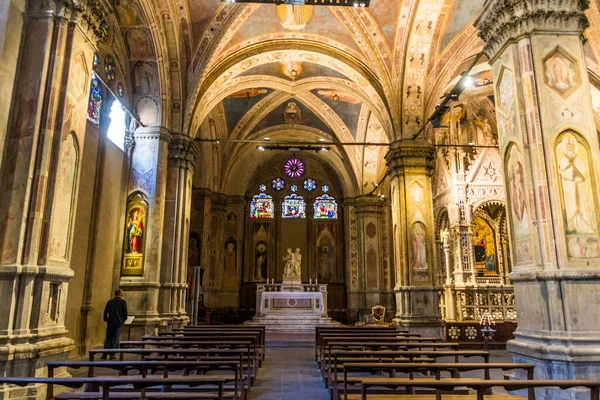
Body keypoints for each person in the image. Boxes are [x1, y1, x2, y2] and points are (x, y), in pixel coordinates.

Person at [102, 289, 128, 359]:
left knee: (108, 338)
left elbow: (105, 312)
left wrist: (106, 320)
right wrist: (123, 320)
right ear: (119, 293)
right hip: (118, 323)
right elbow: (125, 313)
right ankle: (112, 354)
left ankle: (104, 354)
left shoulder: (110, 302)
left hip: (110, 322)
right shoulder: (123, 302)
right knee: (116, 339)